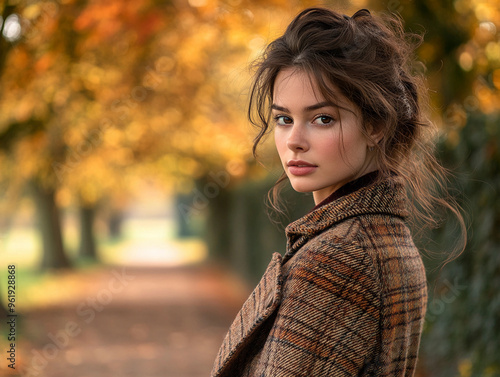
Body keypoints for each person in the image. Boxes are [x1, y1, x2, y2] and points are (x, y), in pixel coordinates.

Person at [211, 7, 465, 377]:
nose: (294, 141)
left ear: (375, 125)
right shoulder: (382, 236)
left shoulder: (340, 257)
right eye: (284, 119)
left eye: (322, 119)